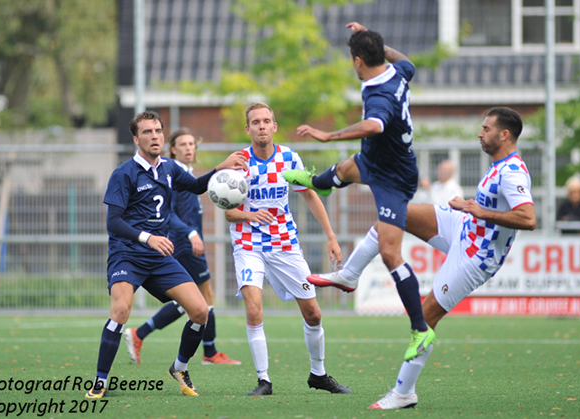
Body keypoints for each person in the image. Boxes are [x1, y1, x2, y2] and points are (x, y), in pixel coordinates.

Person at [304, 107, 536, 409]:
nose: (480, 133)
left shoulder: (513, 171)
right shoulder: (498, 165)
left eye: (486, 129)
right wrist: (471, 209)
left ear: (504, 135)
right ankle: (350, 274)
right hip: (462, 228)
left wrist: (479, 211)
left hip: (476, 256)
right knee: (393, 215)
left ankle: (404, 393)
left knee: (425, 319)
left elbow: (528, 218)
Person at [284, 22, 435, 363]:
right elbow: (407, 62)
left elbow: (375, 125)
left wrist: (328, 135)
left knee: (390, 254)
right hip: (373, 161)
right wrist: (375, 42)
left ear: (357, 61)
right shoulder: (397, 72)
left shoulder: (379, 93)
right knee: (340, 171)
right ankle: (315, 182)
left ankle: (420, 328)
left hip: (394, 178)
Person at [85, 111, 247, 399]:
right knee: (120, 311)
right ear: (136, 139)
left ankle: (179, 368)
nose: (154, 136)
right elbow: (114, 222)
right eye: (147, 132)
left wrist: (220, 169)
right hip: (128, 254)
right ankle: (100, 380)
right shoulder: (124, 174)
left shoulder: (170, 168)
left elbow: (196, 186)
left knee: (200, 311)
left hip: (159, 258)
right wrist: (148, 237)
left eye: (158, 131)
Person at [225, 102, 351, 396]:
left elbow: (309, 195)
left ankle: (318, 375)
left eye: (266, 121)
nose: (261, 126)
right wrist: (250, 215)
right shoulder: (238, 162)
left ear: (274, 126)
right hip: (248, 244)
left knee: (314, 314)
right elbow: (229, 212)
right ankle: (264, 380)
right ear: (248, 129)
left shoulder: (289, 158)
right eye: (256, 122)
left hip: (284, 243)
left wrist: (331, 236)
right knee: (253, 309)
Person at [124, 128, 241, 366]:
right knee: (205, 295)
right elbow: (169, 213)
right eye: (183, 144)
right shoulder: (173, 175)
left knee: (189, 300)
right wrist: (191, 233)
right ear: (173, 150)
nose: (189, 148)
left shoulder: (187, 174)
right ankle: (210, 352)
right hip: (184, 244)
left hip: (188, 242)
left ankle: (140, 333)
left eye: (191, 144)